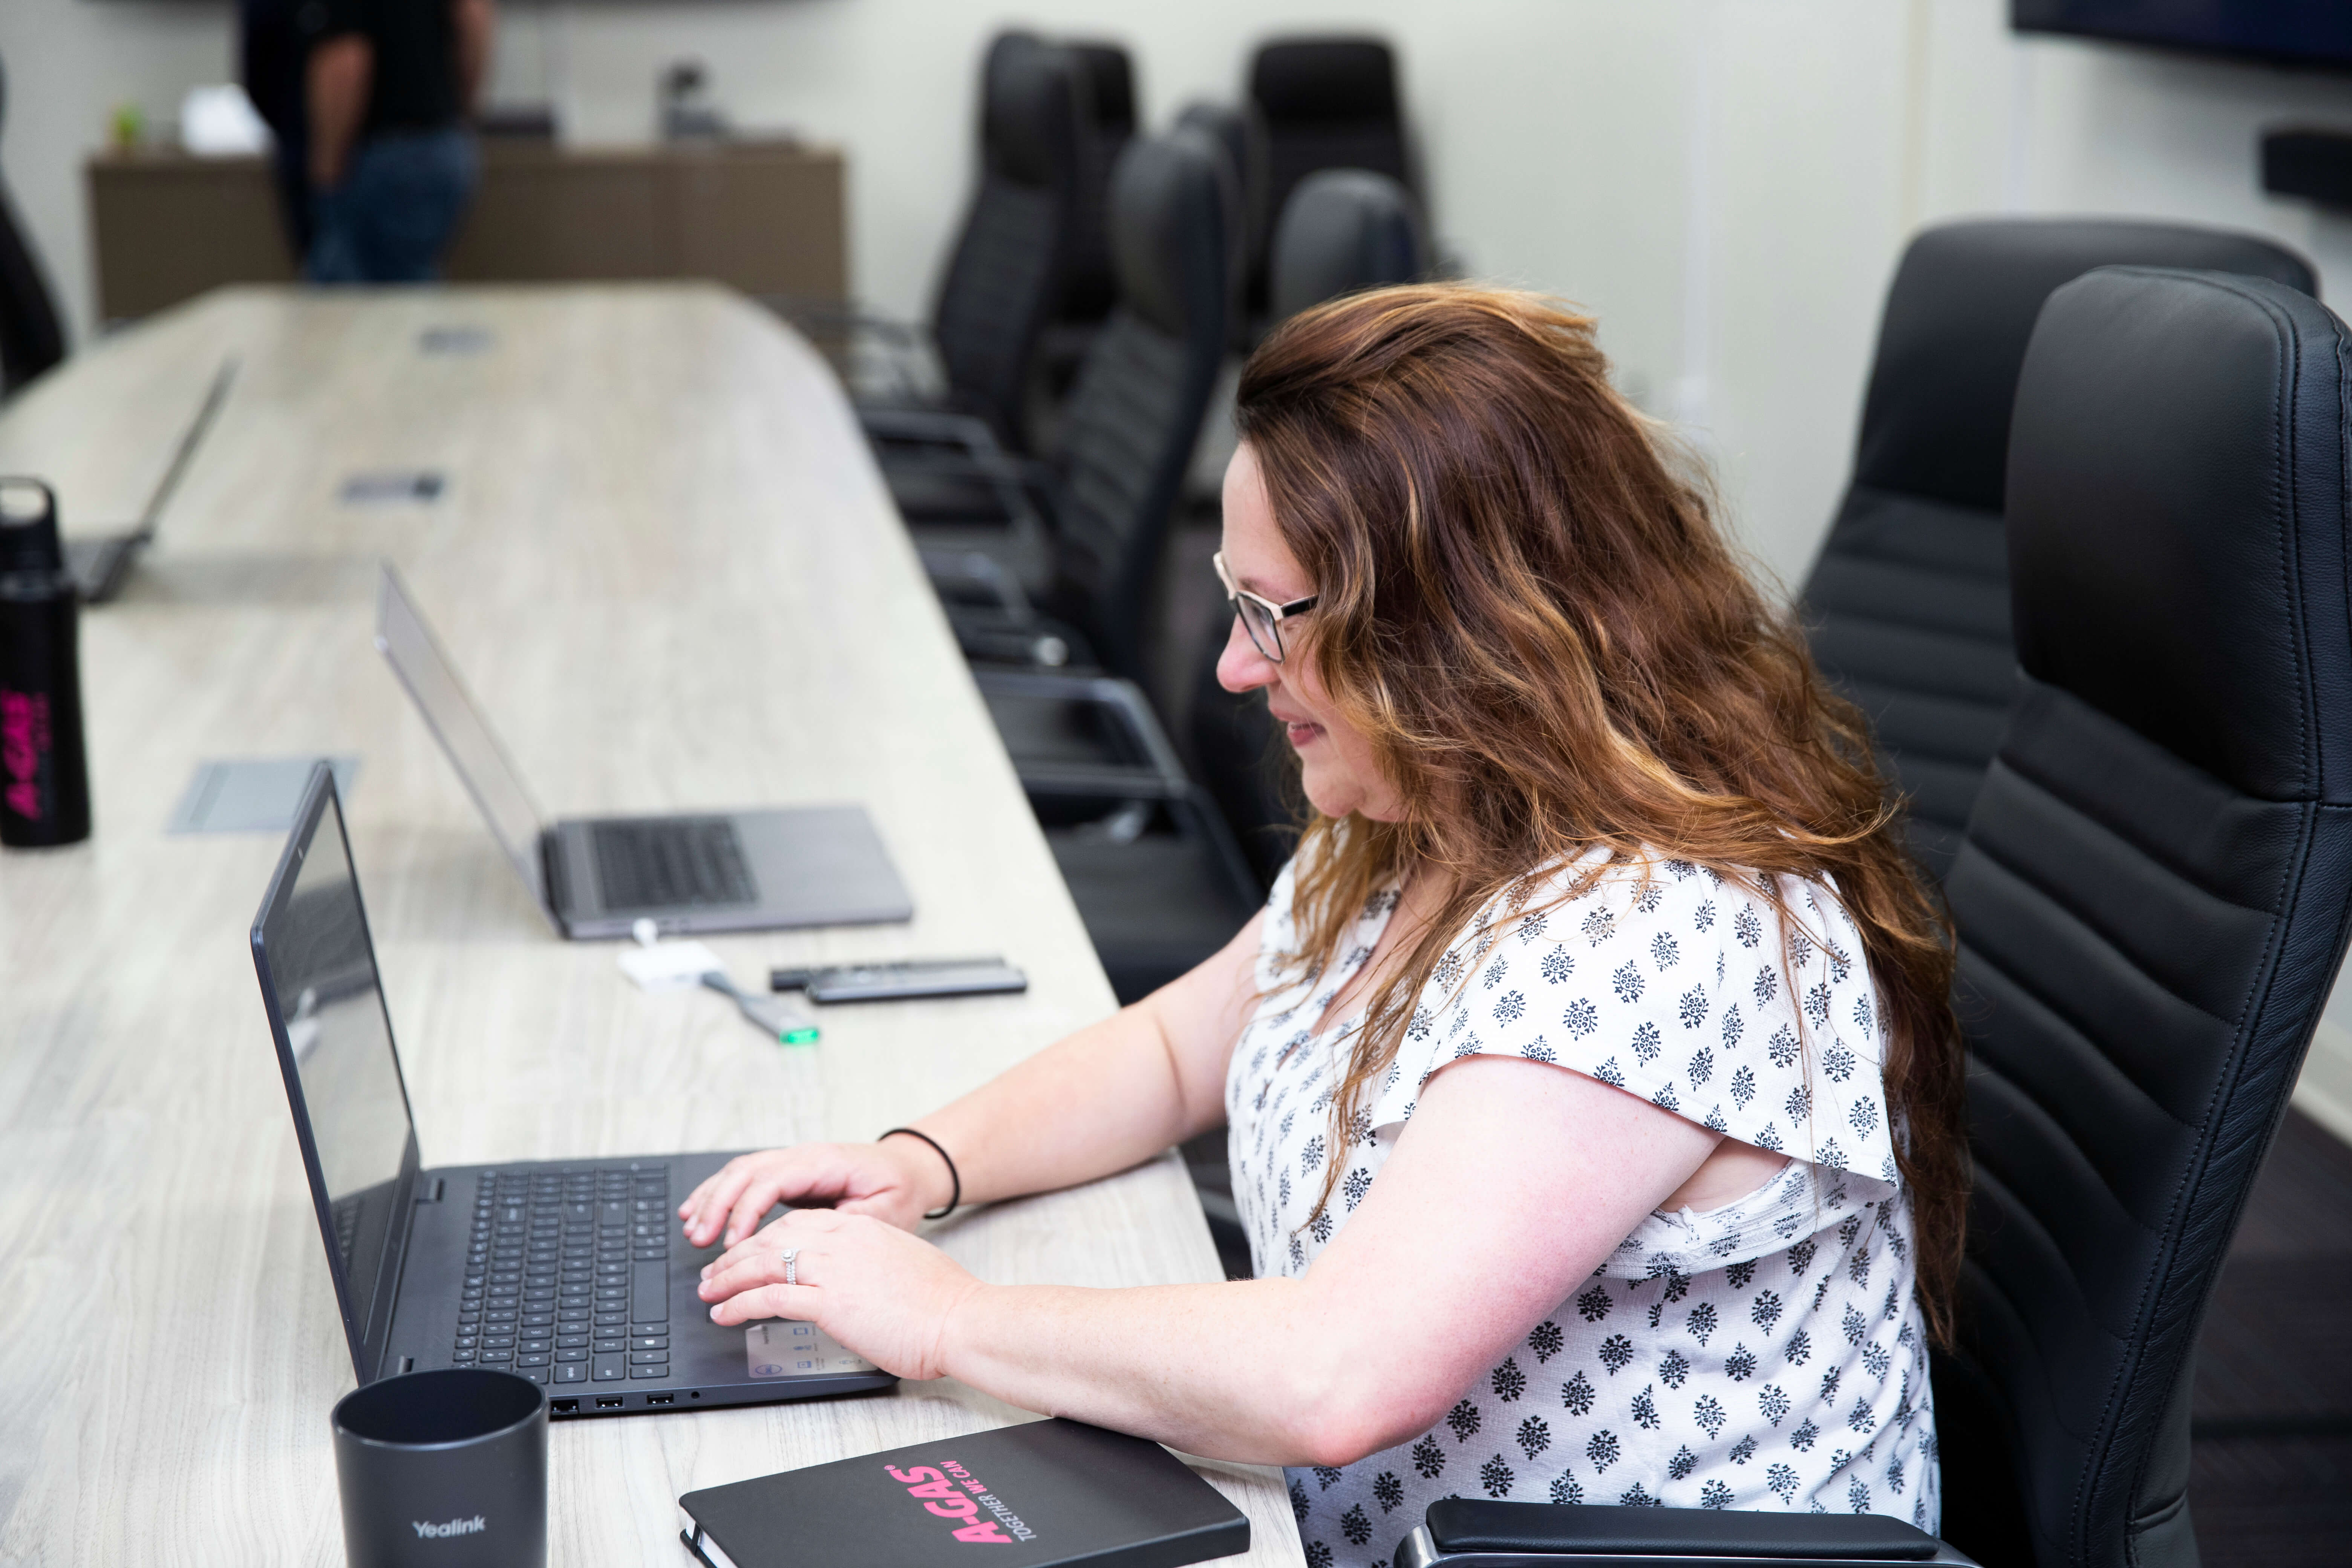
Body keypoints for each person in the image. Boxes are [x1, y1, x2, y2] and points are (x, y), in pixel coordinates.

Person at [679, 285, 1968, 1559]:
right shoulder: (1426, 812)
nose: (1236, 667)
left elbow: (1336, 1375)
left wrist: (947, 1321)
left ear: (1460, 630)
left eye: (1272, 618)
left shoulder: (1662, 929)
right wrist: (923, 1164)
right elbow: (1181, 1050)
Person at [296, 0, 494, 283]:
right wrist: (460, 110)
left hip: (383, 150)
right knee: (407, 279)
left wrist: (327, 162)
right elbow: (475, 16)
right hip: (445, 143)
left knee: (349, 294)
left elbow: (346, 61)